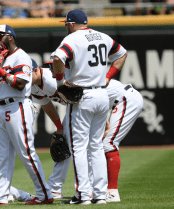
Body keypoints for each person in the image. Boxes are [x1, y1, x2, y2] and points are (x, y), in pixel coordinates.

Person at [52, 9, 127, 205]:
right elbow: (122, 54)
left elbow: (58, 58)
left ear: (70, 24)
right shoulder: (103, 36)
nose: (66, 27)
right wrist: (108, 77)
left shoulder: (73, 39)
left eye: (66, 24)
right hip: (102, 94)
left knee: (78, 148)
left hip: (82, 95)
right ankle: (100, 195)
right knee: (96, 146)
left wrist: (60, 82)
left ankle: (83, 195)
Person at [0, 24, 53, 205]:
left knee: (26, 153)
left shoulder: (21, 56)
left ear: (10, 37)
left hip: (18, 105)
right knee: (4, 156)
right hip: (3, 107)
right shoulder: (2, 59)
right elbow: (3, 87)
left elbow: (19, 84)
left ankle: (45, 194)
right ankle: (0, 196)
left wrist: (0, 70)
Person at [31, 56, 71, 200]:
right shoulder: (32, 86)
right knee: (65, 142)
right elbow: (46, 105)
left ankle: (92, 188)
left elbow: (83, 97)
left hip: (93, 102)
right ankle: (55, 189)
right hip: (76, 108)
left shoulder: (52, 81)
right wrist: (59, 128)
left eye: (26, 74)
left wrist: (105, 122)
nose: (24, 78)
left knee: (87, 146)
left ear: (35, 71)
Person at [98, 79, 143, 202]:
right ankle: (102, 190)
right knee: (104, 143)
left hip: (126, 98)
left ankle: (112, 193)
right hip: (122, 100)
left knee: (109, 143)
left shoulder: (82, 84)